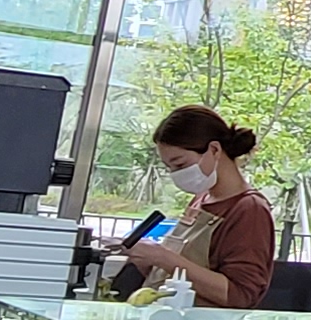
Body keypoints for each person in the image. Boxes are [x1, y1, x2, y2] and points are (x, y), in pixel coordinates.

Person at [108, 105, 278, 308]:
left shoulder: (249, 210)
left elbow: (240, 295)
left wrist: (162, 257)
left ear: (214, 150)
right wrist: (146, 260)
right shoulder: (201, 200)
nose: (176, 174)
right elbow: (178, 275)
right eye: (169, 167)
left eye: (180, 164)